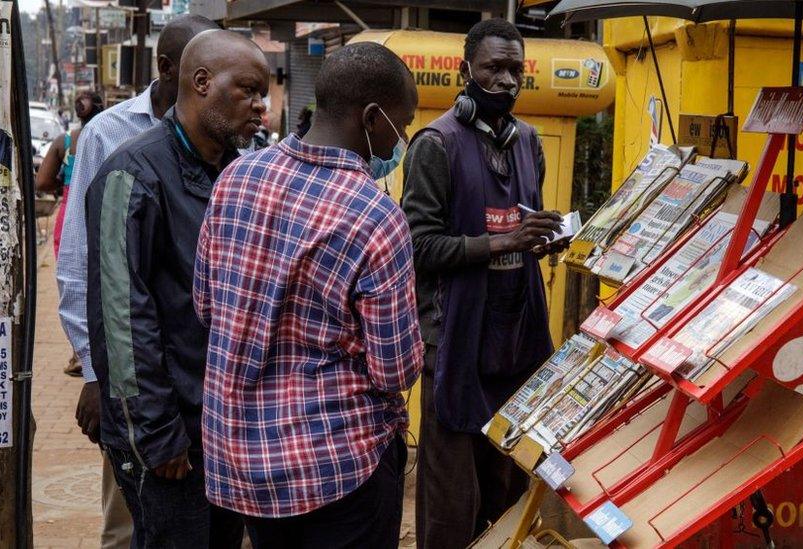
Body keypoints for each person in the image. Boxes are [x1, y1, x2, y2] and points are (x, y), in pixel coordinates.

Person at [193, 42, 423, 549]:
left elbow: (206, 307)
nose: (401, 137)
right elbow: (396, 370)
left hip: (240, 460)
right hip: (337, 468)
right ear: (370, 117)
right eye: (401, 124)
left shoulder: (235, 179)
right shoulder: (376, 217)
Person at [84, 29, 269, 548]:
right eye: (249, 91)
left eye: (263, 95)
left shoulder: (235, 173)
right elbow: (122, 320)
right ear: (202, 82)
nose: (261, 108)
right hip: (167, 442)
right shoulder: (131, 173)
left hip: (221, 431)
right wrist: (157, 436)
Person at [402, 19, 570, 548]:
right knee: (453, 498)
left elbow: (524, 226)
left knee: (507, 487)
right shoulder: (435, 144)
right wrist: (502, 242)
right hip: (454, 344)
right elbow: (417, 246)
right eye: (493, 68)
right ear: (465, 70)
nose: (505, 80)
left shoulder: (528, 142)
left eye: (515, 69)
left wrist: (543, 239)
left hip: (516, 341)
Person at [55, 14, 219, 549]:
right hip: (133, 383)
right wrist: (97, 374)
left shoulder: (228, 146)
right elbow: (84, 262)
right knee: (128, 523)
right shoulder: (111, 135)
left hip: (196, 391)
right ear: (172, 69)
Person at [35, 89, 104, 377]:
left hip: (69, 216)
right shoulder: (107, 135)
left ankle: (79, 353)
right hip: (101, 213)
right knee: (100, 284)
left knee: (73, 281)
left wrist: (65, 187)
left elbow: (42, 182)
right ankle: (98, 352)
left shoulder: (64, 142)